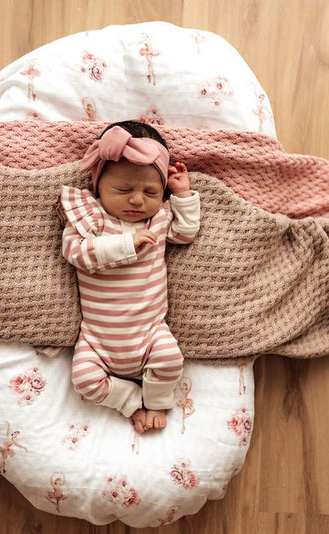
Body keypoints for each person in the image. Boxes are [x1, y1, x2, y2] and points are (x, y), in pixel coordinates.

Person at [57, 120, 200, 433]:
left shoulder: (159, 219)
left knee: (170, 358)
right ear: (98, 187)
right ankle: (132, 401)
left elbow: (186, 233)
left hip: (150, 331)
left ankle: (157, 402)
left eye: (150, 191)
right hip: (97, 339)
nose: (137, 200)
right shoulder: (90, 217)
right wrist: (125, 244)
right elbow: (76, 253)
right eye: (123, 190)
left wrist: (184, 195)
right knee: (84, 379)